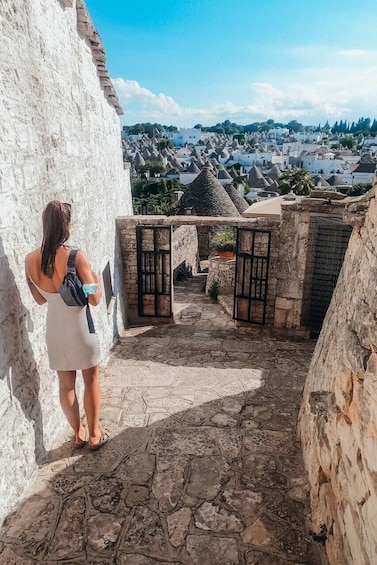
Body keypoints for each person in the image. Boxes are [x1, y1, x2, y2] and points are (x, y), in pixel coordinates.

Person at [25, 200, 109, 451]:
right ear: (67, 226)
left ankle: (78, 434)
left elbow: (40, 300)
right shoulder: (75, 256)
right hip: (80, 328)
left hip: (55, 332)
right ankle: (94, 435)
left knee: (66, 385)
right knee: (91, 379)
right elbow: (93, 299)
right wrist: (96, 281)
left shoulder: (30, 260)